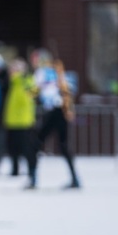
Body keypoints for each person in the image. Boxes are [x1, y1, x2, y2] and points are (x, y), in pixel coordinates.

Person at [29, 50, 81, 189]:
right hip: (60, 112)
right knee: (64, 146)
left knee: (35, 143)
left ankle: (33, 179)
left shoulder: (43, 73)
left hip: (54, 111)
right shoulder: (58, 72)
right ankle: (75, 179)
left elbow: (32, 92)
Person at [2, 58, 38, 177]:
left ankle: (31, 170)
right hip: (12, 119)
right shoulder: (12, 82)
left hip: (24, 120)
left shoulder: (26, 81)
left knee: (26, 147)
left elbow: (30, 97)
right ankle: (15, 169)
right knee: (12, 147)